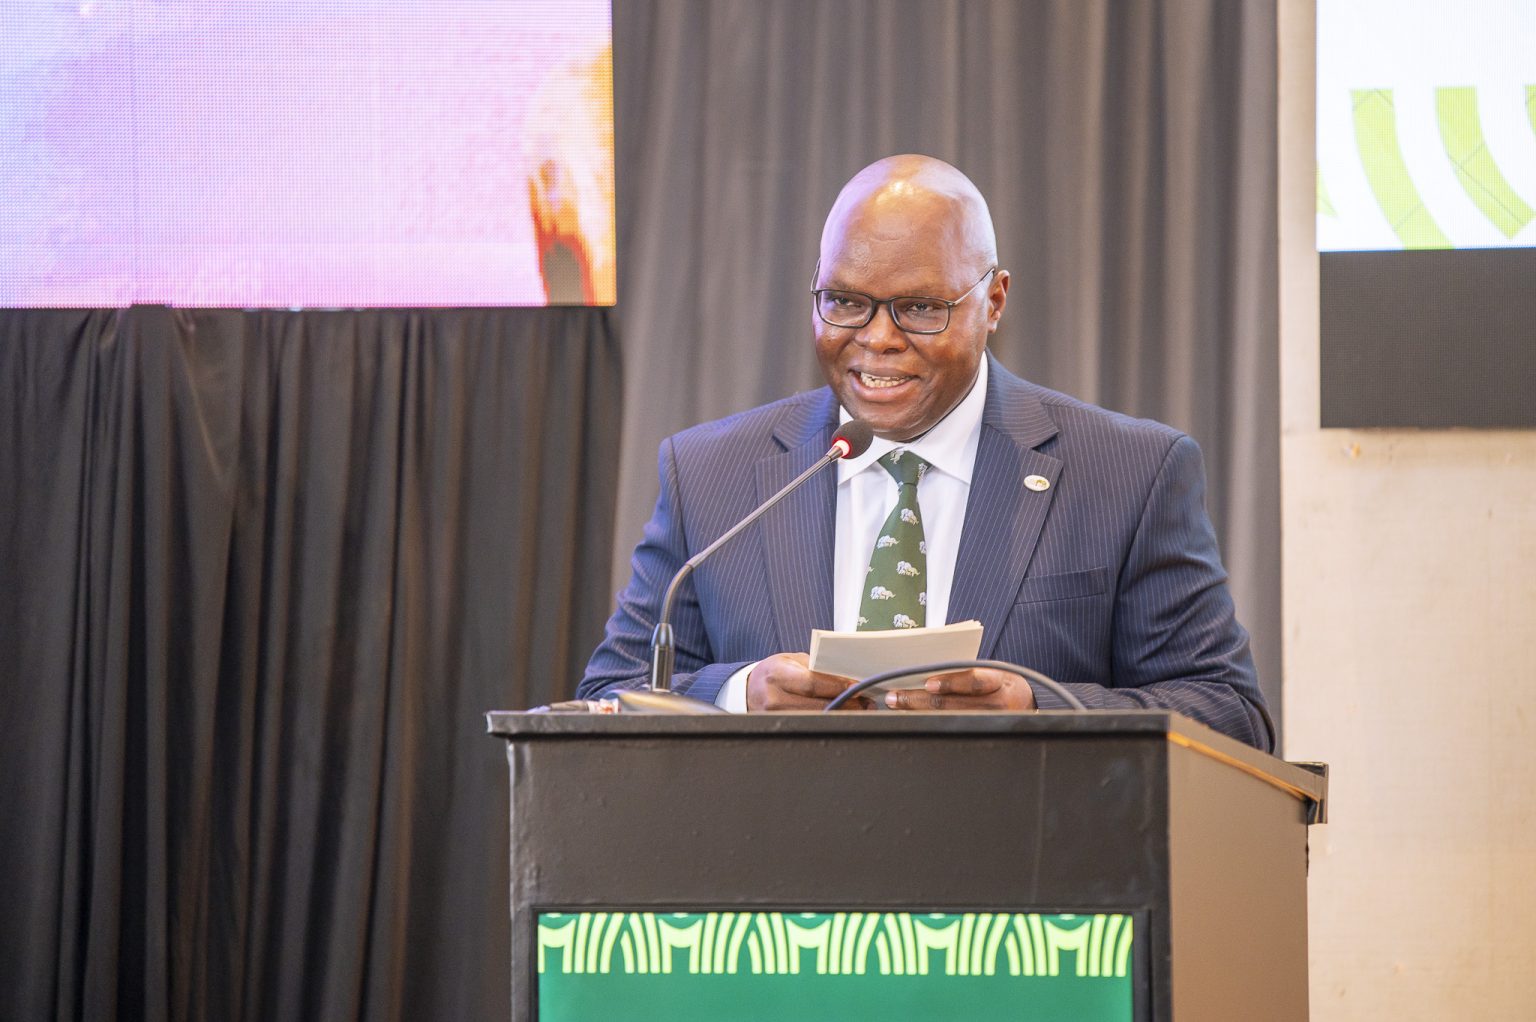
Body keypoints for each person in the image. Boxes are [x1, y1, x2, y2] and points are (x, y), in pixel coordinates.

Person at [579, 155, 1273, 751]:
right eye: (845, 301)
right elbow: (609, 697)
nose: (877, 338)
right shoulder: (711, 476)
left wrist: (1037, 709)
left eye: (918, 308)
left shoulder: (1128, 475)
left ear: (993, 301)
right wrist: (737, 694)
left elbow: (1231, 716)